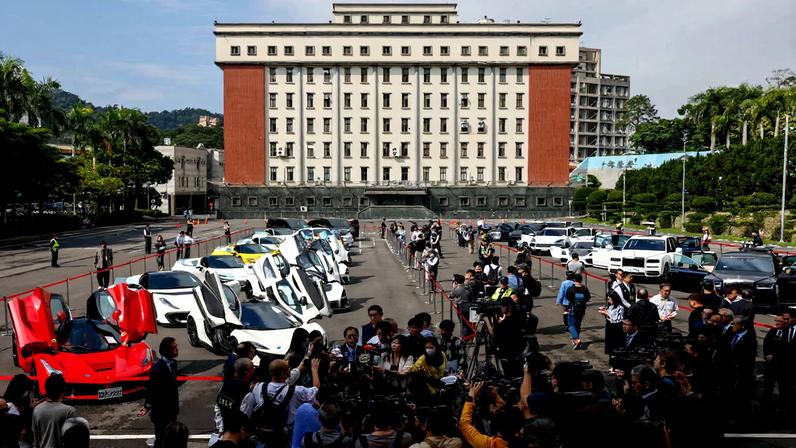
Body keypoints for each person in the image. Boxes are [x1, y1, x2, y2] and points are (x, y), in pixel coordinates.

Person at [459, 381, 522, 448]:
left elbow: (464, 424)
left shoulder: (490, 444)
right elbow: (503, 408)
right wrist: (495, 394)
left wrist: (470, 398)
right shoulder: (525, 441)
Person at [143, 337, 180, 448]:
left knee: (171, 439)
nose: (177, 350)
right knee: (161, 440)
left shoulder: (174, 364)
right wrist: (148, 405)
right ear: (166, 351)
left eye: (176, 347)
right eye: (174, 348)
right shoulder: (157, 369)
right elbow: (151, 389)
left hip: (171, 410)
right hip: (161, 413)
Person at [31, 374, 77, 448]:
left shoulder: (37, 409)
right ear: (63, 390)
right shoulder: (69, 411)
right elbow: (74, 439)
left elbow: (35, 439)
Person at [762, 314, 790, 408]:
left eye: (779, 321)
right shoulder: (772, 330)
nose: (777, 323)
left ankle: (782, 406)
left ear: (785, 322)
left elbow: (787, 349)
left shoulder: (789, 332)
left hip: (782, 364)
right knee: (768, 385)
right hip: (770, 364)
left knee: (783, 387)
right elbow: (766, 343)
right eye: (776, 321)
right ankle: (765, 404)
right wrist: (767, 354)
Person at [565, 274, 591, 349]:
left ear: (574, 280)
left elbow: (567, 297)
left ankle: (576, 338)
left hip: (573, 309)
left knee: (570, 324)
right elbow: (588, 297)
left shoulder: (571, 288)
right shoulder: (584, 288)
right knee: (578, 324)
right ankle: (576, 340)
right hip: (582, 309)